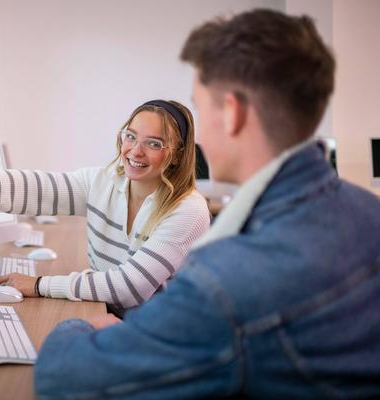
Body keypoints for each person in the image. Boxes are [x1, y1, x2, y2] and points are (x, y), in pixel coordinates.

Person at [35, 9, 380, 399]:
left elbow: (62, 377)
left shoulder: (226, 279)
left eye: (198, 106)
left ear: (231, 113)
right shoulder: (370, 215)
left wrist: (82, 327)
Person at [0, 100, 210, 316]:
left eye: (154, 144)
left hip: (166, 337)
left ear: (178, 155)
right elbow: (35, 189)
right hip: (120, 318)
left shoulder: (188, 210)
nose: (135, 151)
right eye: (130, 136)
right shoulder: (103, 182)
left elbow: (128, 289)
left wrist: (39, 284)